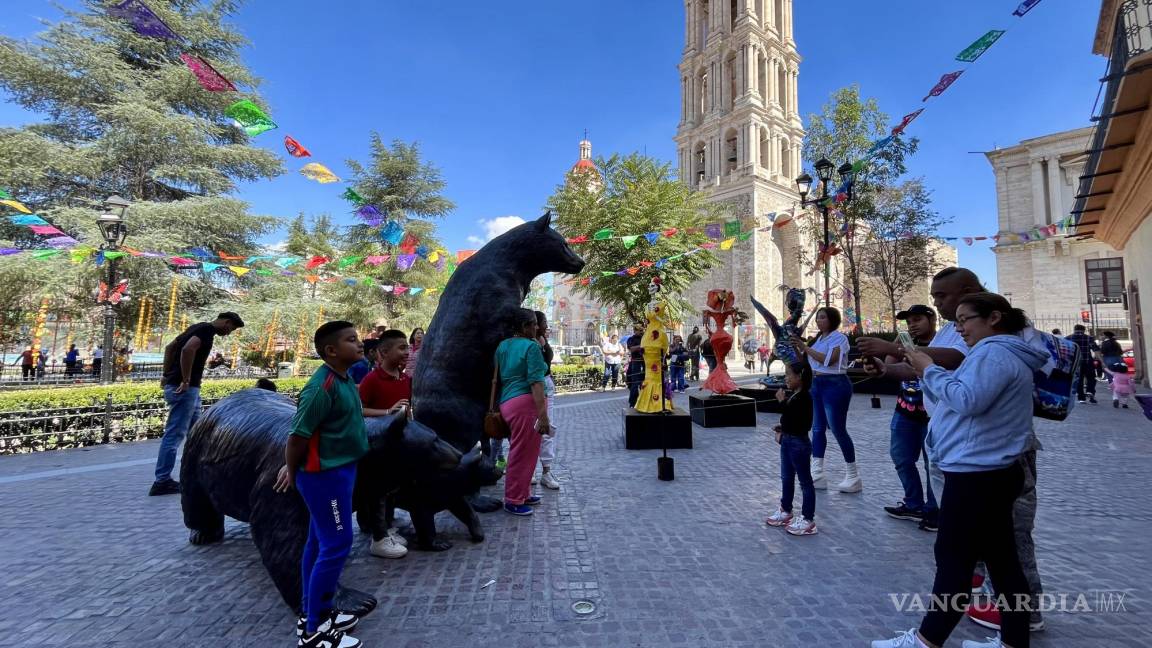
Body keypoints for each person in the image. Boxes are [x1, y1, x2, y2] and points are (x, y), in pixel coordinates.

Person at [872, 292, 1045, 648]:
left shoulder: (995, 353)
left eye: (965, 319)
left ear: (994, 317)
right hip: (985, 470)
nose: (960, 327)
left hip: (977, 474)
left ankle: (925, 640)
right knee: (1003, 563)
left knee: (954, 561)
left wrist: (928, 368)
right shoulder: (999, 352)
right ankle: (1014, 640)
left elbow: (967, 400)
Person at [859, 267, 981, 531]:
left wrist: (894, 349)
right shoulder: (948, 331)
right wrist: (885, 368)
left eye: (940, 296)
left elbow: (955, 357)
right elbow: (918, 369)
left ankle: (936, 512)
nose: (937, 303)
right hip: (923, 415)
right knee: (904, 458)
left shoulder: (982, 329)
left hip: (964, 431)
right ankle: (920, 506)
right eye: (933, 297)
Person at [273, 321, 367, 648]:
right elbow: (297, 435)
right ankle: (315, 630)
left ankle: (315, 610)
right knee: (338, 542)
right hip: (324, 476)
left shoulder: (345, 379)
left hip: (341, 471)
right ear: (331, 350)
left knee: (317, 542)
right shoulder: (321, 387)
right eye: (351, 340)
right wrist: (290, 468)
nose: (360, 344)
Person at [149, 312, 244, 496]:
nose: (229, 332)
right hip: (185, 390)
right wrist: (185, 379)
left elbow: (170, 348)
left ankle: (202, 473)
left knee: (199, 432)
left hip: (182, 388)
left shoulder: (196, 327)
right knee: (175, 434)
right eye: (231, 328)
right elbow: (188, 350)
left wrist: (166, 374)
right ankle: (162, 480)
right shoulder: (207, 330)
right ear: (227, 322)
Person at [880, 305, 939, 530]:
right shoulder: (906, 344)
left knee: (931, 463)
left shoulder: (942, 345)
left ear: (931, 320)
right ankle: (913, 503)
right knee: (901, 458)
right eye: (909, 322)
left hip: (931, 416)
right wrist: (899, 341)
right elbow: (888, 366)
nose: (912, 324)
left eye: (917, 320)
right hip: (904, 410)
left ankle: (934, 509)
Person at [357, 329, 412, 559]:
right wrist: (387, 412)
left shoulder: (407, 379)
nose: (406, 352)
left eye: (407, 347)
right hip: (376, 446)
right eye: (401, 348)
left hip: (398, 445)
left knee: (391, 487)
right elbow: (358, 410)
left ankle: (387, 526)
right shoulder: (372, 379)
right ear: (383, 352)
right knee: (375, 489)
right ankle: (374, 530)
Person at [792, 307, 859, 493]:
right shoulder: (818, 340)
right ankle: (817, 472)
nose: (818, 321)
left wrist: (805, 348)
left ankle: (852, 474)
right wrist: (798, 347)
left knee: (838, 429)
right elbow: (807, 362)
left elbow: (829, 360)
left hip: (835, 383)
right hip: (817, 382)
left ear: (832, 320)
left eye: (822, 318)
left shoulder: (839, 338)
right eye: (818, 318)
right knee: (817, 428)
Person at [494, 309, 551, 516]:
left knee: (525, 452)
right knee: (522, 453)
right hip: (525, 405)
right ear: (525, 326)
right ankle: (513, 499)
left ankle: (523, 492)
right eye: (534, 324)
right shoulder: (531, 347)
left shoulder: (503, 346)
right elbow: (536, 382)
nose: (537, 328)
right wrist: (543, 416)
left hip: (508, 402)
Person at [765, 362, 818, 536]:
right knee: (786, 477)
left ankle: (808, 518)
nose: (786, 378)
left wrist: (782, 402)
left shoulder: (804, 397)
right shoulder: (795, 395)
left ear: (800, 377)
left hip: (799, 445)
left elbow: (801, 422)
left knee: (805, 482)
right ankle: (786, 509)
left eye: (789, 374)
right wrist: (782, 428)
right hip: (788, 441)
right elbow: (791, 420)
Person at [532, 311, 561, 491]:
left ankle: (546, 471)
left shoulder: (543, 339)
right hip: (534, 388)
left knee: (547, 429)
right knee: (531, 430)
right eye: (544, 322)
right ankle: (530, 470)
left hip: (547, 387)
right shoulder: (529, 343)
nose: (546, 326)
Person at [701, 290, 738, 394]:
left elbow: (705, 322)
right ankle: (722, 381)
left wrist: (710, 333)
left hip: (716, 337)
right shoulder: (728, 311)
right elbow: (734, 320)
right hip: (725, 337)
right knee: (720, 361)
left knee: (719, 361)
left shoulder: (711, 312)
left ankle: (718, 381)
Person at [1065, 324, 1099, 403]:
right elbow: (1096, 349)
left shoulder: (1068, 338)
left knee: (1079, 379)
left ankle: (1081, 398)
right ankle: (1090, 391)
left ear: (1074, 330)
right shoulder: (1089, 338)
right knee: (1091, 377)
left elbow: (1065, 351)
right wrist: (1101, 361)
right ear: (1084, 330)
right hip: (1088, 361)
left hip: (1075, 363)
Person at [625, 323, 646, 408]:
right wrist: (641, 346)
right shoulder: (631, 339)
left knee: (645, 382)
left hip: (645, 362)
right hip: (635, 362)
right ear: (635, 331)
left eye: (642, 330)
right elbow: (631, 349)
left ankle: (644, 401)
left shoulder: (645, 338)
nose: (641, 332)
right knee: (634, 383)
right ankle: (633, 402)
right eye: (639, 330)